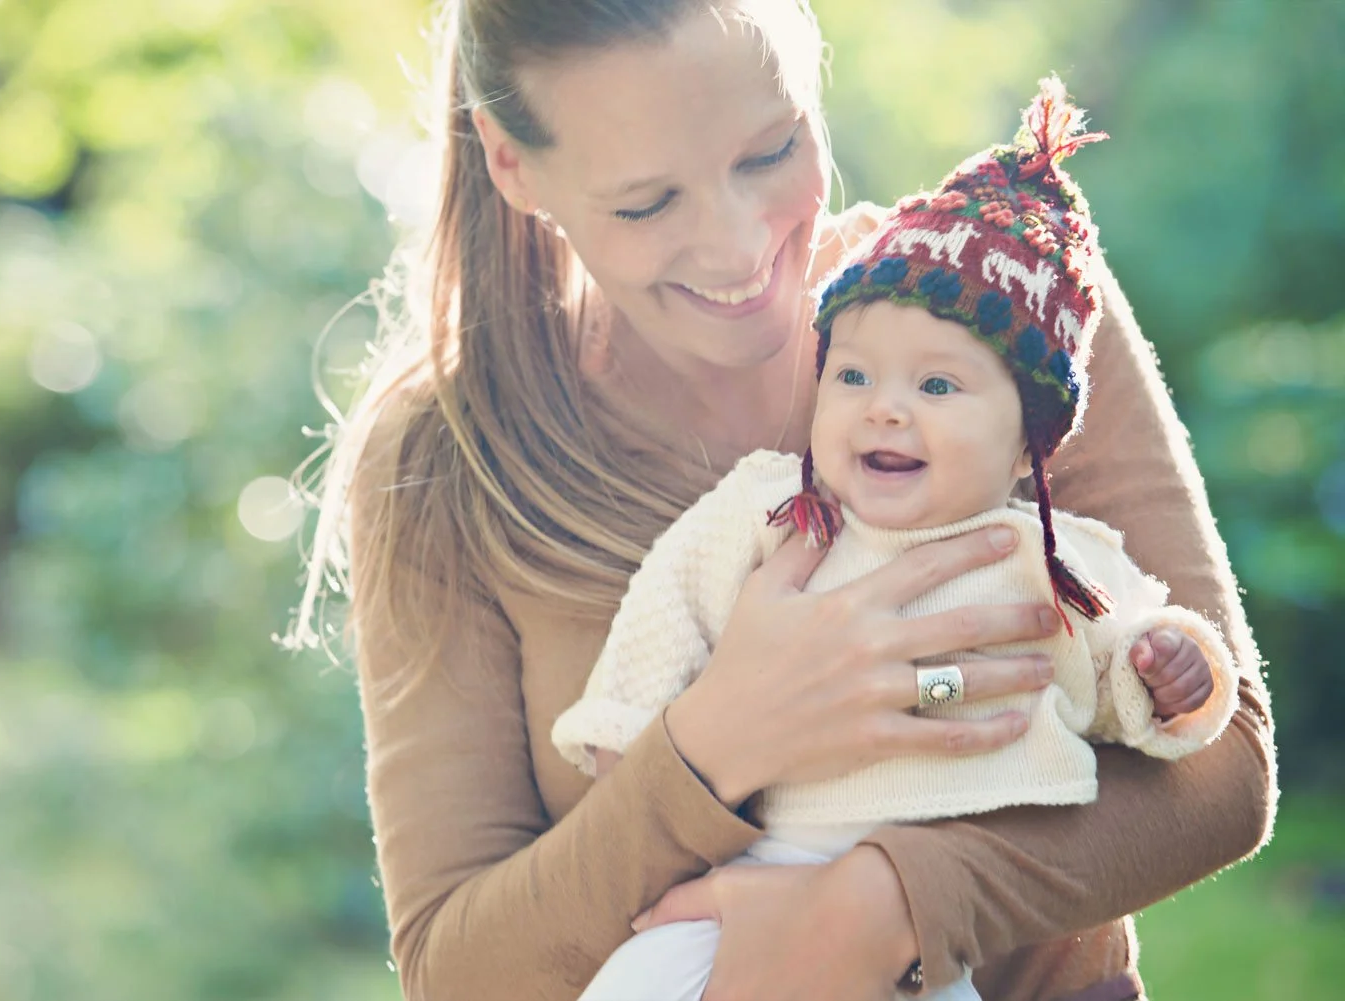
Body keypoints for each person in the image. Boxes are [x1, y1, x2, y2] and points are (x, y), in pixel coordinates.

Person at [283, 2, 1275, 999]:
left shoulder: (996, 308)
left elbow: (1223, 769)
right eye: (645, 204)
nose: (737, 248)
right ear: (511, 163)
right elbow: (458, 970)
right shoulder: (451, 456)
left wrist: (887, 904)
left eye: (770, 152)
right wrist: (720, 740)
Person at [552, 78, 1240, 1001]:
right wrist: (627, 747)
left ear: (1025, 448)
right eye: (854, 374)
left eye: (938, 388)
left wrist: (1170, 671)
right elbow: (666, 608)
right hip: (762, 869)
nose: (884, 406)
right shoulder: (773, 511)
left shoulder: (1051, 559)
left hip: (938, 921)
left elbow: (1120, 678)